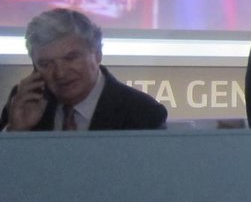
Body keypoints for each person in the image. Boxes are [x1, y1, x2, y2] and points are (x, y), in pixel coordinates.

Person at [1, 8, 167, 131]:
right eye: (46, 64)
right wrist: (15, 132)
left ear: (97, 54)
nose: (60, 73)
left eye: (70, 58)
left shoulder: (142, 112)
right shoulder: (24, 103)